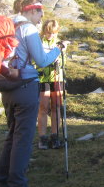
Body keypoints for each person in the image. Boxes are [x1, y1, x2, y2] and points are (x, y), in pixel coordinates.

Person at [0, 0, 68, 187]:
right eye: (40, 12)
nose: (42, 16)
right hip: (25, 86)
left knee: (12, 135)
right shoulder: (28, 29)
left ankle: (1, 180)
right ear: (31, 11)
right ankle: (17, 183)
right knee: (23, 139)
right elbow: (42, 61)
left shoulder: (9, 24)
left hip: (7, 86)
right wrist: (58, 50)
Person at [37, 19, 66, 150]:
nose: (51, 35)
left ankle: (55, 136)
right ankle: (42, 138)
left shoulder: (59, 44)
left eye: (53, 33)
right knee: (43, 107)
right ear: (44, 30)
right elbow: (36, 60)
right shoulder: (38, 42)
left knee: (56, 106)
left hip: (57, 77)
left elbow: (64, 62)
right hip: (43, 78)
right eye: (48, 32)